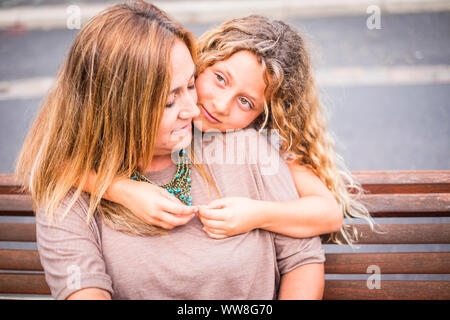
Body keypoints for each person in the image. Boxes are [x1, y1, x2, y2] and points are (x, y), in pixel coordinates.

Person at [15, 1, 325, 300]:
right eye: (169, 100)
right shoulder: (71, 188)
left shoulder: (245, 144)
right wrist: (120, 188)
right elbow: (83, 288)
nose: (196, 110)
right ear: (115, 107)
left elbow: (312, 241)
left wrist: (258, 213)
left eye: (190, 85)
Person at [84, 13, 375, 244]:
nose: (222, 106)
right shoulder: (160, 94)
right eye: (220, 78)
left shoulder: (261, 142)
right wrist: (122, 190)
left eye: (246, 102)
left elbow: (328, 213)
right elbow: (52, 164)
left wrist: (255, 214)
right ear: (204, 59)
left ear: (263, 115)